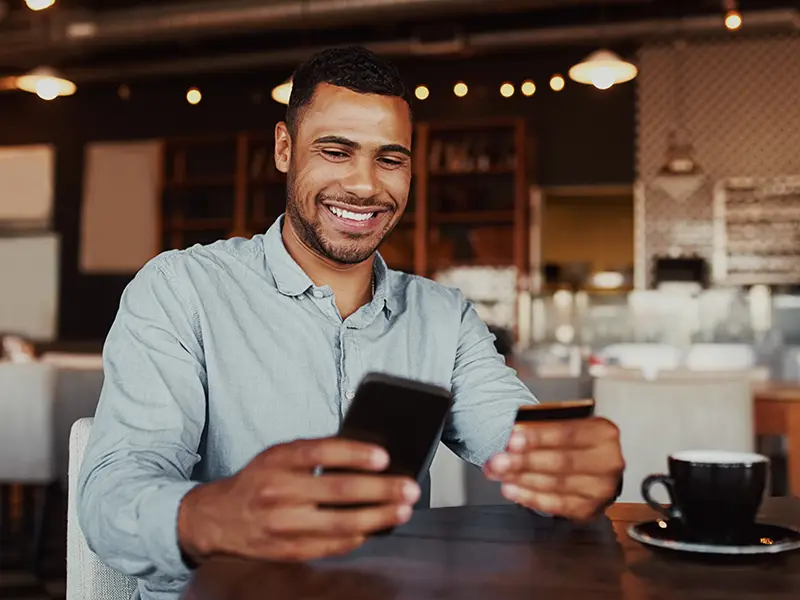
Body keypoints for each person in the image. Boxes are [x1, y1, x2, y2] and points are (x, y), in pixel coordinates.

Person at [77, 46, 624, 600]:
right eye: (337, 151)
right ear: (284, 149)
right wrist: (213, 516)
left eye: (390, 159)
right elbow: (110, 499)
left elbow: (520, 438)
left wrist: (572, 468)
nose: (365, 186)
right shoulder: (181, 289)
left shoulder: (444, 316)